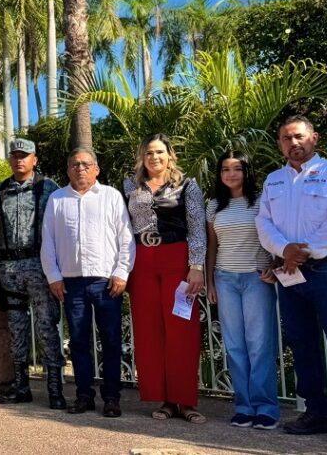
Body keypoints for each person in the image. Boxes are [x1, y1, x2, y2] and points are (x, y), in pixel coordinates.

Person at [256, 115, 327, 445]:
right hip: (290, 275)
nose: (293, 143)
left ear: (314, 138)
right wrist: (284, 249)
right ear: (280, 144)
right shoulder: (273, 180)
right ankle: (317, 413)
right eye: (286, 138)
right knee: (302, 345)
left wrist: (304, 251)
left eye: (299, 136)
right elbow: (264, 222)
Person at [41, 148, 134, 418]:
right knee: (79, 341)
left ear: (96, 169)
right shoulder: (57, 199)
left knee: (111, 341)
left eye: (86, 164)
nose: (80, 168)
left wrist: (121, 273)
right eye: (74, 164)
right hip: (72, 283)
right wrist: (54, 277)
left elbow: (126, 239)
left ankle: (112, 398)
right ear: (68, 169)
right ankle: (84, 395)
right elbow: (48, 241)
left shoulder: (111, 197)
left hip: (106, 282)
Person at [123, 133, 207, 424]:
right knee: (149, 331)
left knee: (181, 329)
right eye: (149, 153)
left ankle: (185, 400)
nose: (154, 157)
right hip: (142, 261)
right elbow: (122, 228)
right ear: (141, 157)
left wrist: (196, 265)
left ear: (170, 155)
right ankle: (164, 399)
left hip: (177, 259)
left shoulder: (188, 185)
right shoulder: (129, 186)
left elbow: (197, 227)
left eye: (160, 152)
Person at [204, 151, 279, 430]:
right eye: (225, 169)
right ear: (220, 174)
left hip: (256, 279)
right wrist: (210, 281)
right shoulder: (213, 206)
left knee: (259, 345)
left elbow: (273, 238)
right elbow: (212, 246)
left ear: (247, 172)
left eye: (237, 169)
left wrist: (275, 264)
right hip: (225, 279)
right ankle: (244, 407)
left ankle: (266, 408)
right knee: (235, 345)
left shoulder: (262, 201)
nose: (231, 174)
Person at [0, 139, 65, 409]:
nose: (19, 160)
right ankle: (21, 386)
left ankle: (55, 388)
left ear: (35, 159)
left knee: (47, 327)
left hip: (40, 267)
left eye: (25, 156)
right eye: (15, 156)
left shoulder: (50, 189)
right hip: (9, 268)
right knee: (16, 329)